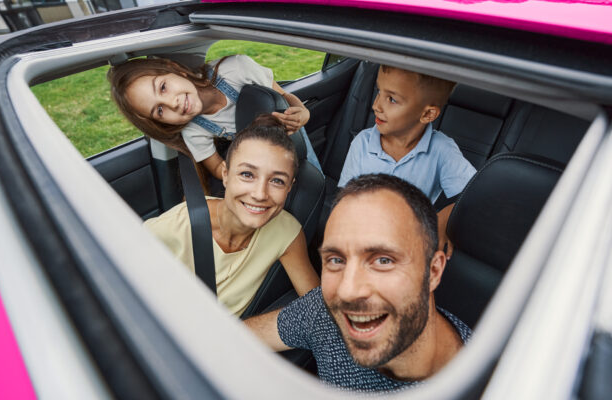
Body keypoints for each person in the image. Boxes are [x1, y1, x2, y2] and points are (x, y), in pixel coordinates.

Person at [245, 174, 471, 393]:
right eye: (336, 260)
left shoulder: (489, 386)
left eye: (383, 260)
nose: (347, 291)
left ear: (433, 271)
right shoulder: (324, 311)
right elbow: (237, 338)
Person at [144, 115, 320, 316]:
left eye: (277, 181)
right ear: (225, 175)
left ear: (289, 188)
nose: (260, 194)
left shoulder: (288, 233)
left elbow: (320, 311)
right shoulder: (175, 225)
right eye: (247, 174)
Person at [108, 55, 321, 190]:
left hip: (292, 138)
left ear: (174, 69)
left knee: (312, 182)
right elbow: (217, 167)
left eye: (163, 87)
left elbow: (283, 95)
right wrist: (243, 175)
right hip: (261, 163)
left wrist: (302, 111)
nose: (172, 103)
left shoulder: (237, 69)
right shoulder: (194, 130)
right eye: (160, 110)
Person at [338, 65, 477, 257]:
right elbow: (346, 197)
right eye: (379, 91)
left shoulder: (441, 150)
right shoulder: (362, 142)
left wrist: (443, 218)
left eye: (392, 99)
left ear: (427, 114)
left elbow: (474, 192)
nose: (376, 105)